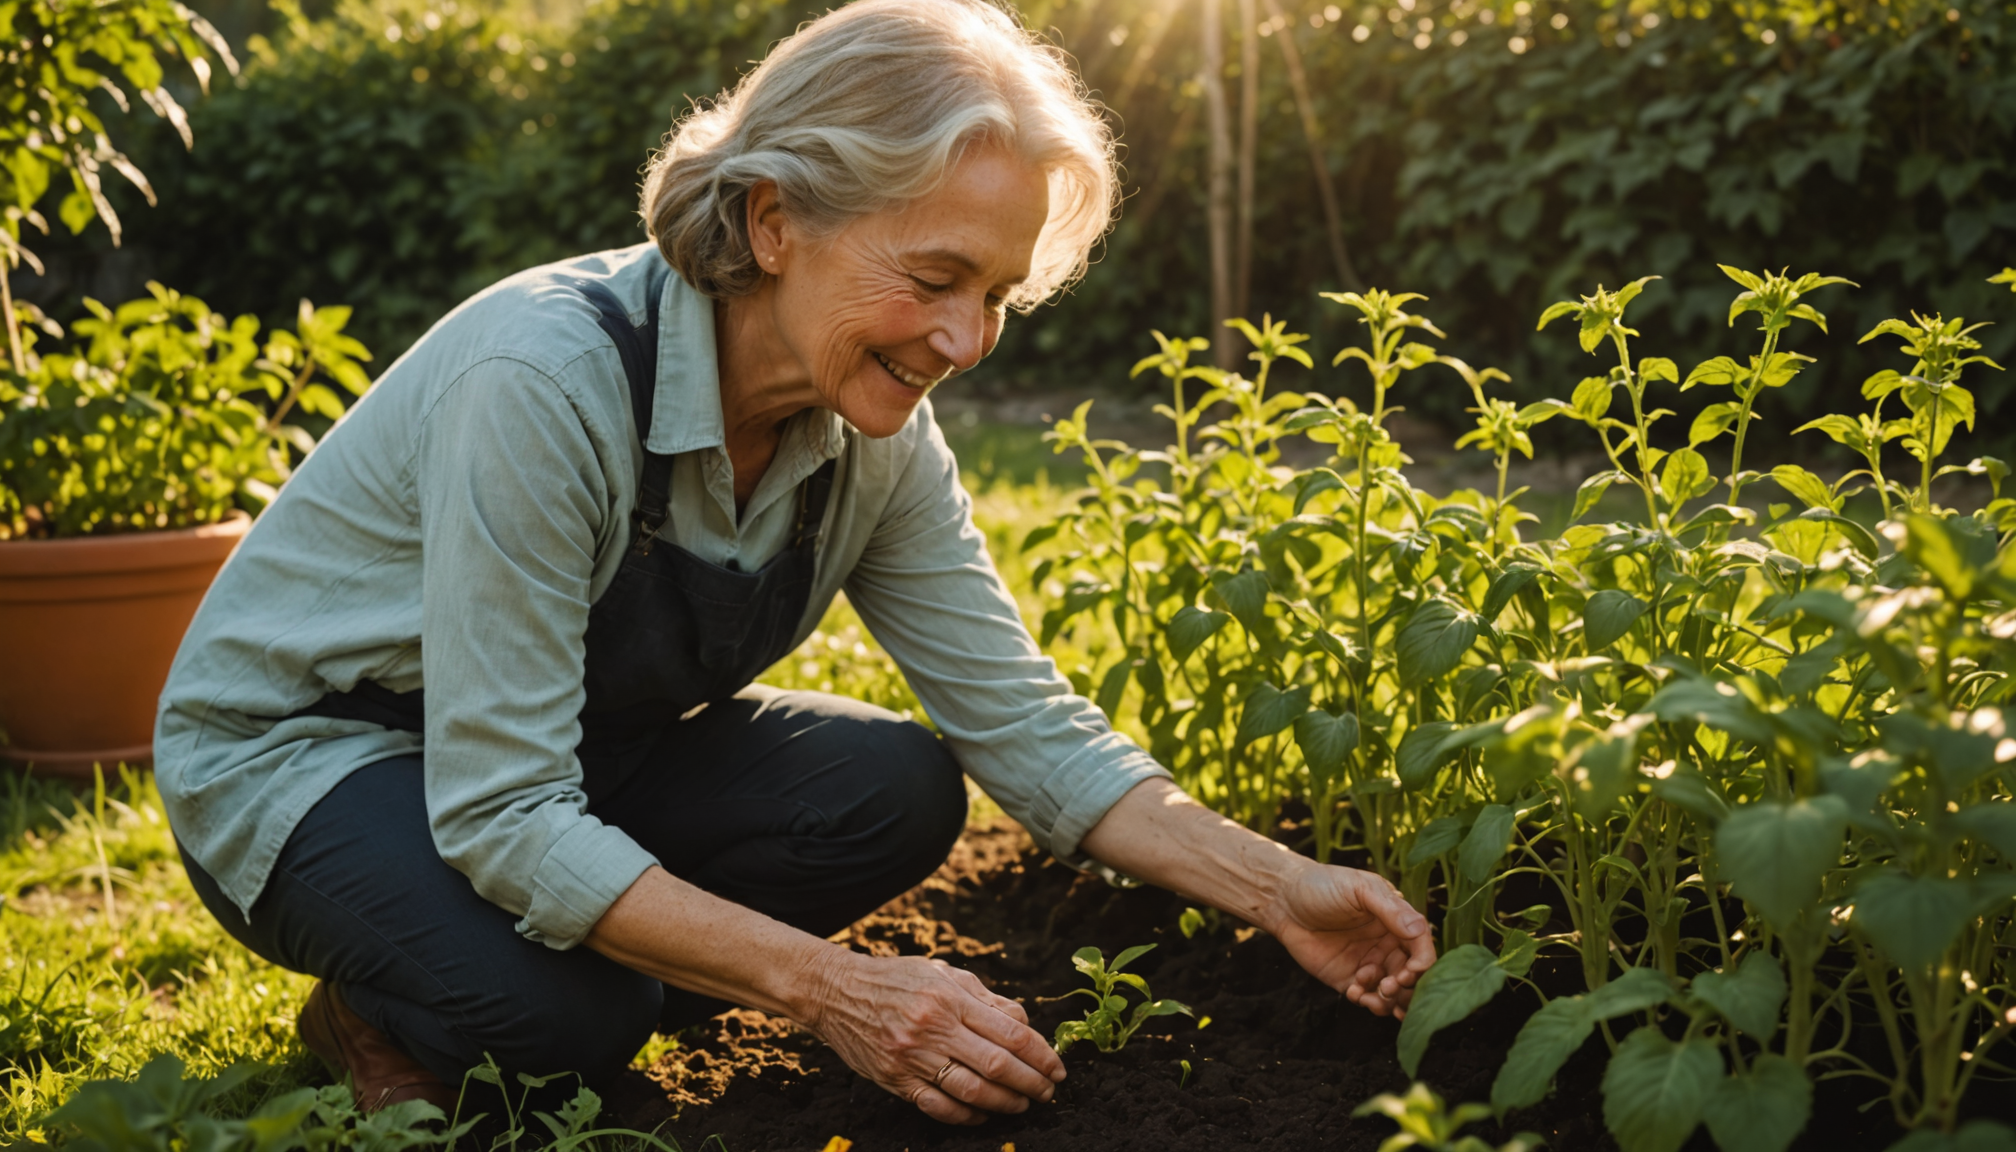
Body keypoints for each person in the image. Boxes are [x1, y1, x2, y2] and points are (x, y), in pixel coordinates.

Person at [156, 0, 1436, 1127]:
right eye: (934, 276)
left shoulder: (871, 431)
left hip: (557, 754)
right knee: (571, 1021)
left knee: (891, 788)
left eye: (995, 292)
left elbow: (1023, 724)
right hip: (313, 758)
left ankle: (561, 960)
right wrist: (834, 990)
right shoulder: (542, 383)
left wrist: (1279, 889)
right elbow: (500, 808)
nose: (966, 338)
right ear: (775, 220)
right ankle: (386, 1013)